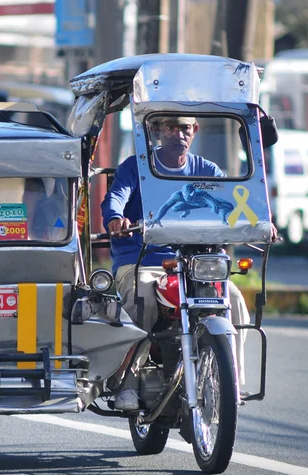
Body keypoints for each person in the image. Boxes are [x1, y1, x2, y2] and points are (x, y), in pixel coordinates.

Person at [101, 115, 254, 411]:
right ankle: (127, 383)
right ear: (158, 131)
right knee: (140, 296)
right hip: (143, 260)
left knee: (233, 298)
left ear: (194, 131)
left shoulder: (207, 170)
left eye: (185, 127)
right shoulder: (136, 166)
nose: (178, 133)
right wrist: (115, 218)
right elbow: (115, 197)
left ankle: (232, 381)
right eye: (170, 127)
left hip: (194, 262)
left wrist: (258, 221)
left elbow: (235, 204)